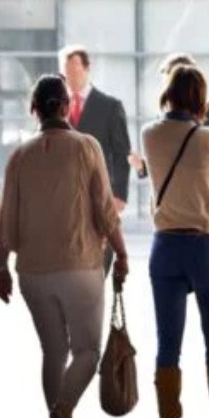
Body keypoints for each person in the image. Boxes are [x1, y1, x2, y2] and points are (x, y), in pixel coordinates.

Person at [0, 74, 130, 418]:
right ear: (67, 107)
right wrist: (121, 253)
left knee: (52, 351)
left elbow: (7, 219)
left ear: (34, 109)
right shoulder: (87, 147)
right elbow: (105, 209)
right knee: (87, 350)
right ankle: (63, 409)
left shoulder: (20, 156)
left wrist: (1, 266)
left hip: (32, 271)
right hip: (81, 265)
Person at [141, 64, 209, 418]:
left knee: (168, 343)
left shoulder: (149, 134)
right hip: (205, 247)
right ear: (200, 97)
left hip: (164, 246)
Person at [131, 53, 209, 245]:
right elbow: (163, 163)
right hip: (179, 217)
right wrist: (142, 167)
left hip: (203, 209)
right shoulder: (158, 125)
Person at [60, 45, 131, 271]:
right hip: (66, 196)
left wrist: (120, 193)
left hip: (100, 193)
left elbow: (122, 153)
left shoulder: (110, 106)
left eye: (75, 69)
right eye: (66, 70)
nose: (70, 75)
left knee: (100, 259)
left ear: (87, 69)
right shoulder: (56, 106)